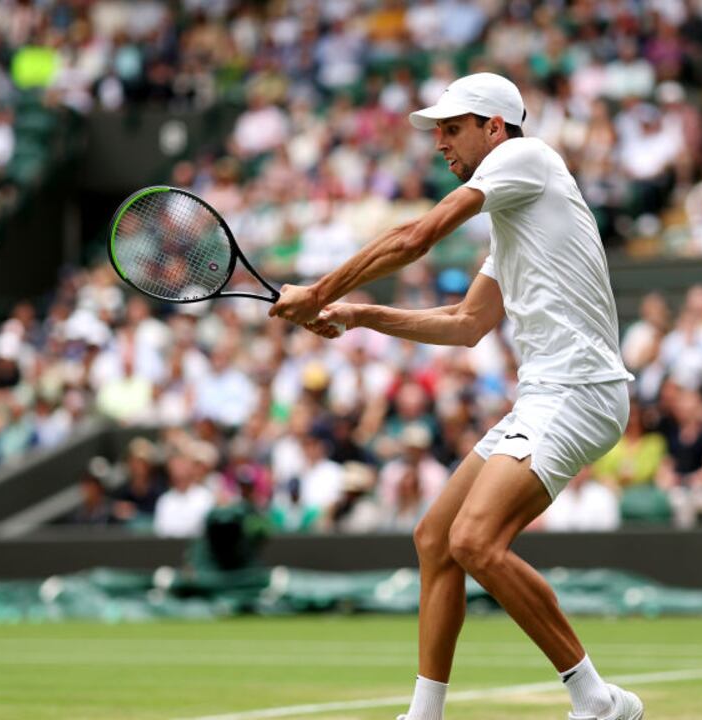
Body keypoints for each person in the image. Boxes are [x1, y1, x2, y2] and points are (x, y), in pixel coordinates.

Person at [269, 73, 641, 720]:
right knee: (436, 537)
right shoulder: (515, 215)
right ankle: (424, 715)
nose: (439, 141)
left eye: (452, 127)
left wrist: (319, 291)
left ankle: (596, 700)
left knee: (475, 541)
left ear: (494, 127)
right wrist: (358, 314)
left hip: (579, 388)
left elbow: (417, 236)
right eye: (437, 129)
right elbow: (467, 325)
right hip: (547, 394)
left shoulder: (526, 158)